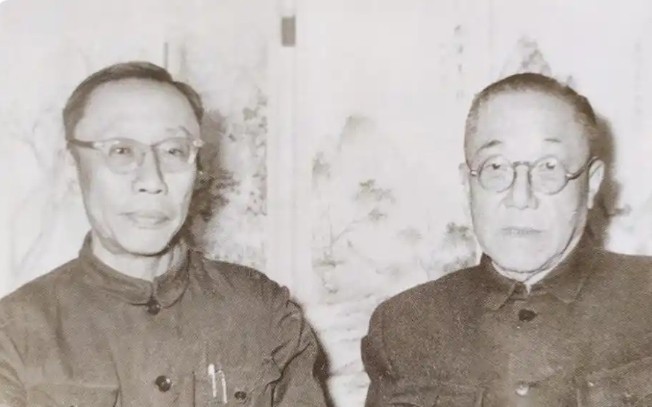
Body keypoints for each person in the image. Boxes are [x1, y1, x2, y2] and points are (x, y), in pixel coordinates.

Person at [0, 61, 327, 406]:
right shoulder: (14, 336)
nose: (152, 180)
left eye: (174, 151)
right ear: (72, 166)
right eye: (121, 150)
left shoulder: (263, 311)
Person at [362, 73, 652, 406]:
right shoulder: (403, 326)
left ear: (592, 184)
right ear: (467, 185)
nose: (520, 197)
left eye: (549, 167)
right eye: (496, 167)